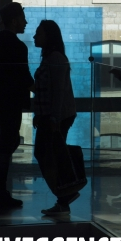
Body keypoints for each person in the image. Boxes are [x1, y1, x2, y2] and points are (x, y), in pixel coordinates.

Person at [0, 2, 34, 209]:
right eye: (22, 18)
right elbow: (24, 78)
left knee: (8, 142)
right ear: (14, 21)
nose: (25, 22)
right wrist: (45, 91)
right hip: (12, 102)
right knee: (8, 143)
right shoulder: (19, 47)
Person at [33, 19, 78, 216]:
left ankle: (65, 195)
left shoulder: (56, 59)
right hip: (50, 116)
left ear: (48, 37)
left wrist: (54, 119)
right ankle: (63, 197)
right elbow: (45, 91)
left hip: (56, 117)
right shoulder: (49, 58)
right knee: (48, 155)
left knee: (47, 155)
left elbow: (58, 91)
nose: (35, 37)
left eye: (39, 33)